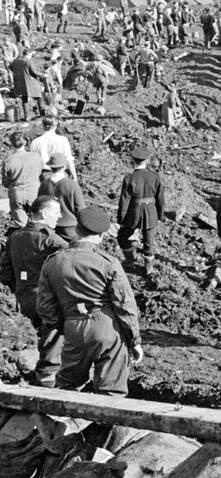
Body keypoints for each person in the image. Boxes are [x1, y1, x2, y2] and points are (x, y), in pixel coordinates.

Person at [36, 205, 143, 397]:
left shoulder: (53, 261)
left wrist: (64, 326)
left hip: (73, 326)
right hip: (107, 328)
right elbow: (125, 305)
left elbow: (45, 306)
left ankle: (59, 424)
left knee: (68, 387)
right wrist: (134, 340)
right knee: (111, 390)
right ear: (101, 236)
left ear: (77, 230)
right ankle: (104, 425)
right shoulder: (108, 263)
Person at [0, 196, 68, 386]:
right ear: (45, 214)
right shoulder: (52, 241)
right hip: (48, 300)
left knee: (40, 337)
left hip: (23, 299)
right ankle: (48, 379)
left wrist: (20, 288)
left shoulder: (15, 237)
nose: (59, 216)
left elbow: (5, 273)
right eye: (56, 212)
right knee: (55, 336)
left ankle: (34, 369)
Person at [117, 144, 165, 274]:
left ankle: (130, 258)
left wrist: (121, 218)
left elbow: (124, 200)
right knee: (149, 242)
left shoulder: (129, 178)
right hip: (151, 213)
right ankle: (148, 268)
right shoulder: (155, 177)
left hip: (134, 213)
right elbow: (160, 199)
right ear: (147, 160)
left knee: (122, 236)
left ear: (133, 161)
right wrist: (160, 215)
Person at [38, 153, 83, 243]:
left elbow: (39, 204)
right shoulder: (72, 185)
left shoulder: (44, 184)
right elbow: (80, 208)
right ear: (64, 167)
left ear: (50, 167)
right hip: (70, 226)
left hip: (50, 226)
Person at [3, 130, 45, 217]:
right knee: (36, 219)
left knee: (20, 222)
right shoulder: (35, 156)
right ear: (25, 142)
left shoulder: (8, 160)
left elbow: (5, 182)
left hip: (17, 192)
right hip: (34, 190)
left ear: (11, 143)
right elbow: (40, 172)